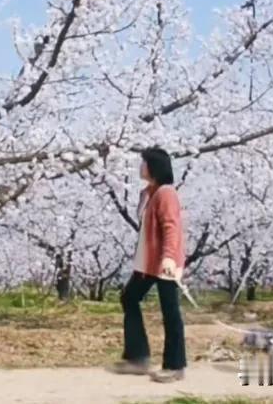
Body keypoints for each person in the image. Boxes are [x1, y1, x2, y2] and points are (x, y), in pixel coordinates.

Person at [109, 146, 187, 383]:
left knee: (170, 312)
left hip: (164, 263)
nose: (140, 167)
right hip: (148, 263)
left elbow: (171, 227)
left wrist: (169, 258)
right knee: (129, 298)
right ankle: (138, 358)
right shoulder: (149, 193)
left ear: (153, 166)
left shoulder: (165, 193)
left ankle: (175, 366)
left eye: (143, 163)